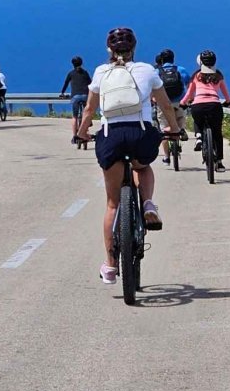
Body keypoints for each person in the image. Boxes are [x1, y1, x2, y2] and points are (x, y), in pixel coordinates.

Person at [74, 27, 181, 284]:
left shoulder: (101, 72)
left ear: (109, 50)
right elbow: (166, 105)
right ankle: (148, 204)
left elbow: (89, 109)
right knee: (141, 167)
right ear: (134, 48)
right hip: (140, 134)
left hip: (111, 136)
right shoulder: (147, 70)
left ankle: (110, 266)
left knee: (112, 204)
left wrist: (81, 133)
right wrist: (174, 129)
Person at [180, 49, 230, 173]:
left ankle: (198, 137)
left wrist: (183, 103)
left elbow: (189, 93)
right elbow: (225, 93)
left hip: (198, 105)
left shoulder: (196, 75)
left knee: (198, 121)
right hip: (214, 105)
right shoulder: (218, 75)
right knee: (217, 133)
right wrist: (228, 102)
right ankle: (219, 162)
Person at [154, 48, 189, 165]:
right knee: (180, 119)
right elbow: (188, 84)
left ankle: (166, 157)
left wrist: (153, 99)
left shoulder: (157, 72)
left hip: (163, 103)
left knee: (164, 129)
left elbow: (152, 88)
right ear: (173, 59)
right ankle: (181, 130)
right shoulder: (181, 69)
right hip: (179, 102)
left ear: (162, 60)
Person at [59, 55, 93, 147]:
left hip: (75, 97)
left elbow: (65, 84)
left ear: (72, 64)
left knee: (75, 117)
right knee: (86, 113)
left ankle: (75, 136)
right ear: (81, 63)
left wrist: (62, 93)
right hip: (86, 96)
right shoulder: (85, 73)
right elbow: (91, 84)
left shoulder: (71, 74)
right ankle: (87, 125)